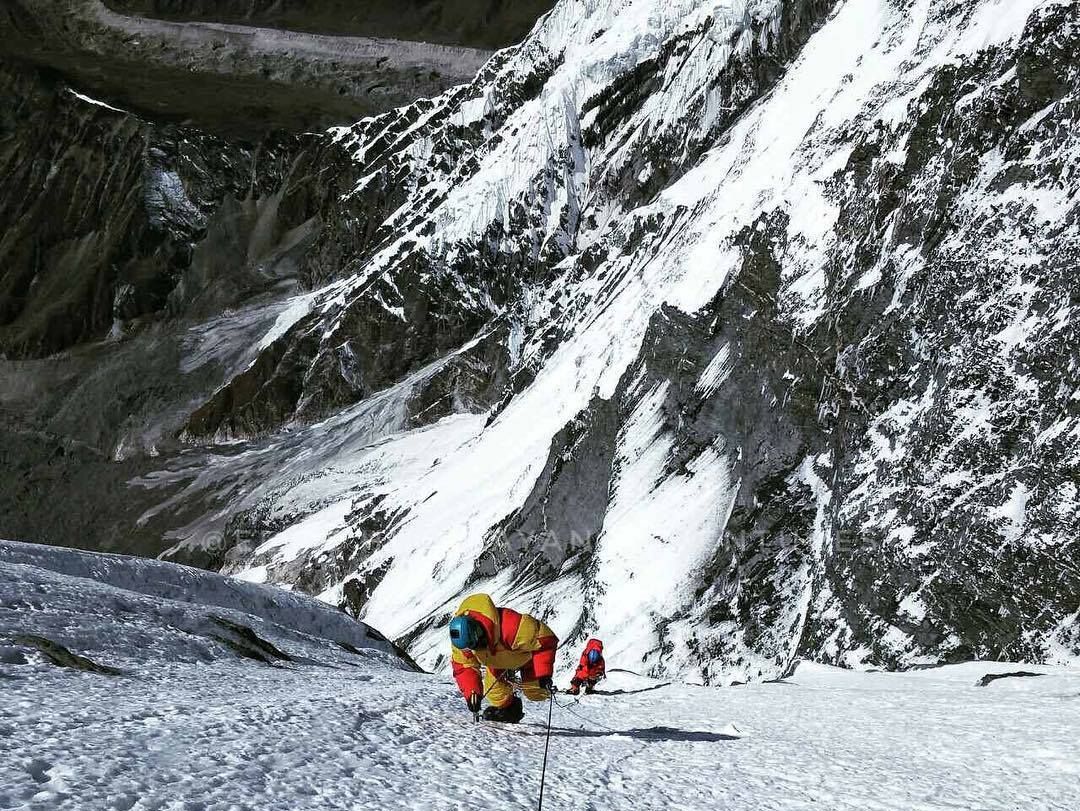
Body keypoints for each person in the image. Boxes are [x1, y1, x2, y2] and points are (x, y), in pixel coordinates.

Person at [449, 593, 558, 724]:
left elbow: (546, 640)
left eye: (476, 644)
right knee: (496, 695)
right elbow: (464, 667)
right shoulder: (464, 644)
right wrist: (472, 693)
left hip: (526, 658)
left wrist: (543, 674)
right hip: (497, 662)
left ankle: (543, 689)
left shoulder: (512, 627)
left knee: (536, 693)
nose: (476, 649)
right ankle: (511, 712)